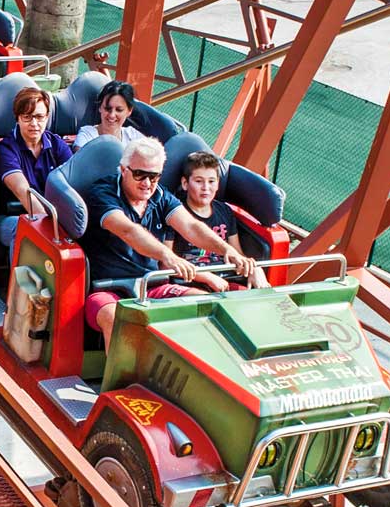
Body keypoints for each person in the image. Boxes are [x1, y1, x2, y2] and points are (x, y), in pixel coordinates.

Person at [79, 138, 261, 344]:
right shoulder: (103, 193)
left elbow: (191, 226)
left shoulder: (161, 196)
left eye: (154, 176)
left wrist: (227, 249)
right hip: (108, 290)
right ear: (123, 170)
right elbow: (127, 230)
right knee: (116, 319)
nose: (147, 183)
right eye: (140, 174)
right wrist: (168, 256)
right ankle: (128, 377)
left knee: (204, 304)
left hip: (153, 286)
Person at [0, 86, 73, 252]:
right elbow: (23, 190)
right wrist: (49, 229)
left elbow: (73, 183)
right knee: (25, 230)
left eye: (39, 117)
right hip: (12, 216)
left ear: (47, 117)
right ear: (18, 119)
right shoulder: (7, 149)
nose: (34, 124)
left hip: (52, 215)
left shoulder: (57, 145)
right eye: (27, 117)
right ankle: (18, 277)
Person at [175, 150, 264, 276]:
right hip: (191, 280)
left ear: (218, 184)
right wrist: (208, 278)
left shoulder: (225, 211)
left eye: (211, 181)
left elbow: (237, 253)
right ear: (185, 183)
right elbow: (169, 263)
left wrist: (255, 270)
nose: (206, 187)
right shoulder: (176, 213)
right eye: (199, 181)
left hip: (226, 277)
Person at [74, 79, 150, 150]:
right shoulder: (87, 135)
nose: (112, 115)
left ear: (129, 111)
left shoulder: (133, 136)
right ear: (100, 107)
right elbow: (80, 160)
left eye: (119, 110)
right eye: (107, 108)